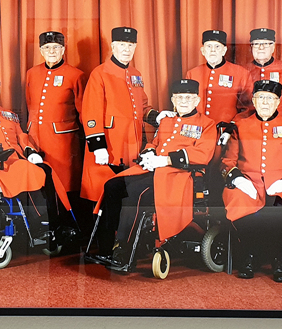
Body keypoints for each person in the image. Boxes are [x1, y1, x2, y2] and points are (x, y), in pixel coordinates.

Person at [90, 79, 217, 271]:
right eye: (180, 97)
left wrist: (166, 160)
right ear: (173, 100)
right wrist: (149, 153)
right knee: (112, 186)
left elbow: (203, 154)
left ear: (197, 100)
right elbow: (154, 143)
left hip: (178, 176)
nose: (184, 101)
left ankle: (125, 252)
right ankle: (106, 247)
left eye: (189, 97)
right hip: (153, 170)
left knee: (135, 193)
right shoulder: (167, 120)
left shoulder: (207, 124)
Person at [0, 71, 74, 244]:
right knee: (26, 170)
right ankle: (40, 225)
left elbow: (22, 136)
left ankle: (60, 222)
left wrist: (31, 152)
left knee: (46, 169)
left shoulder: (9, 114)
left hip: (17, 160)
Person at [222, 80, 282, 281]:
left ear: (278, 102)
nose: (265, 102)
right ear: (254, 101)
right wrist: (239, 180)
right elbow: (228, 161)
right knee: (239, 200)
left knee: (279, 206)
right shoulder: (240, 125)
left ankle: (277, 259)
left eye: (270, 98)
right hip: (249, 181)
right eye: (261, 98)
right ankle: (248, 256)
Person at [81, 26, 170, 203]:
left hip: (132, 144)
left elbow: (142, 106)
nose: (126, 49)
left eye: (130, 45)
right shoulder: (100, 73)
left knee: (125, 194)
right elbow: (91, 112)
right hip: (109, 144)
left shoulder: (135, 74)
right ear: (113, 46)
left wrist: (157, 117)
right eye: (122, 44)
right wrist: (98, 146)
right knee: (102, 192)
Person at [24, 31, 86, 196]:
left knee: (64, 183)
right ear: (41, 50)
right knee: (39, 183)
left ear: (63, 49)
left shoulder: (76, 75)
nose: (51, 51)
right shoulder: (31, 73)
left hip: (62, 141)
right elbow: (30, 103)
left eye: (56, 47)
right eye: (47, 47)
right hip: (35, 138)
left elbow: (83, 111)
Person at [185, 29, 253, 128]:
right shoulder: (192, 73)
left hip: (226, 130)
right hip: (199, 129)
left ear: (224, 50)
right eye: (209, 46)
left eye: (217, 46)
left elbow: (247, 108)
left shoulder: (241, 73)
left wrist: (232, 126)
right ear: (203, 51)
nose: (213, 50)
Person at [245, 28, 282, 120]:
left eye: (266, 44)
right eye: (256, 44)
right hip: (250, 124)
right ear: (251, 47)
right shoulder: (243, 70)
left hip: (279, 123)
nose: (261, 48)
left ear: (273, 47)